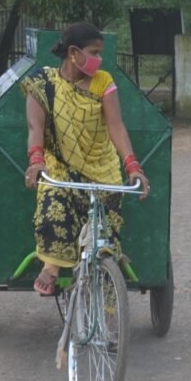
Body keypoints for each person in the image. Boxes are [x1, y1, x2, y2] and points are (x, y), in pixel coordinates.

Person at [22, 23, 149, 296]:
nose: (99, 59)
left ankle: (103, 304)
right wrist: (35, 161)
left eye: (100, 53)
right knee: (53, 197)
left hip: (102, 169)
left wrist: (132, 165)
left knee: (105, 238)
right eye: (94, 52)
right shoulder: (42, 83)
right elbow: (35, 128)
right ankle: (52, 267)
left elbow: (116, 126)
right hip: (60, 166)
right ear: (73, 53)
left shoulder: (104, 82)